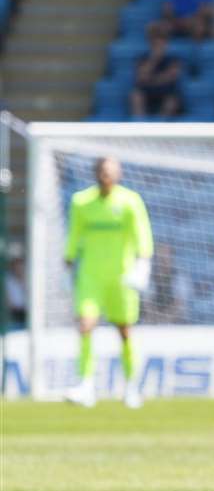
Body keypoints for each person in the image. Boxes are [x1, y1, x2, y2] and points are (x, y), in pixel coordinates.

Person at [63, 158, 154, 409]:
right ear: (96, 173)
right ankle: (86, 384)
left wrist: (143, 263)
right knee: (85, 325)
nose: (106, 176)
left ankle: (131, 385)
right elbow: (74, 234)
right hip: (91, 276)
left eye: (111, 172)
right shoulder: (81, 202)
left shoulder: (130, 201)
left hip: (121, 277)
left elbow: (142, 234)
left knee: (124, 331)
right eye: (103, 171)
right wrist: (68, 261)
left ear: (119, 174)